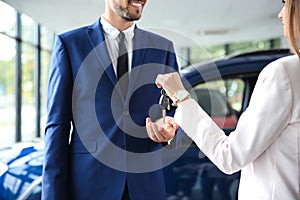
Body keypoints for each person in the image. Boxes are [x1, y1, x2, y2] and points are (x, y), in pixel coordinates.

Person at [146, 0, 300, 199]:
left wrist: (182, 98)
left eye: (286, 3)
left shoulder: (285, 73)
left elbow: (230, 157)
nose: (280, 14)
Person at [42, 0, 179, 199]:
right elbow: (57, 126)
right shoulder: (70, 45)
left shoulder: (163, 48)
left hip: (146, 186)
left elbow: (177, 109)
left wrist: (171, 129)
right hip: (90, 186)